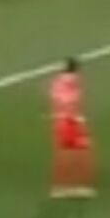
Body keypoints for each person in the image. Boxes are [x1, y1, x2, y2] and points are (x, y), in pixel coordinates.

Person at [46, 57, 95, 198]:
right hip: (70, 123)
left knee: (63, 155)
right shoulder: (72, 83)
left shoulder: (56, 83)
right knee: (81, 153)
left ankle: (59, 187)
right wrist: (77, 118)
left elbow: (56, 101)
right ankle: (78, 186)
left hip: (60, 122)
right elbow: (71, 103)